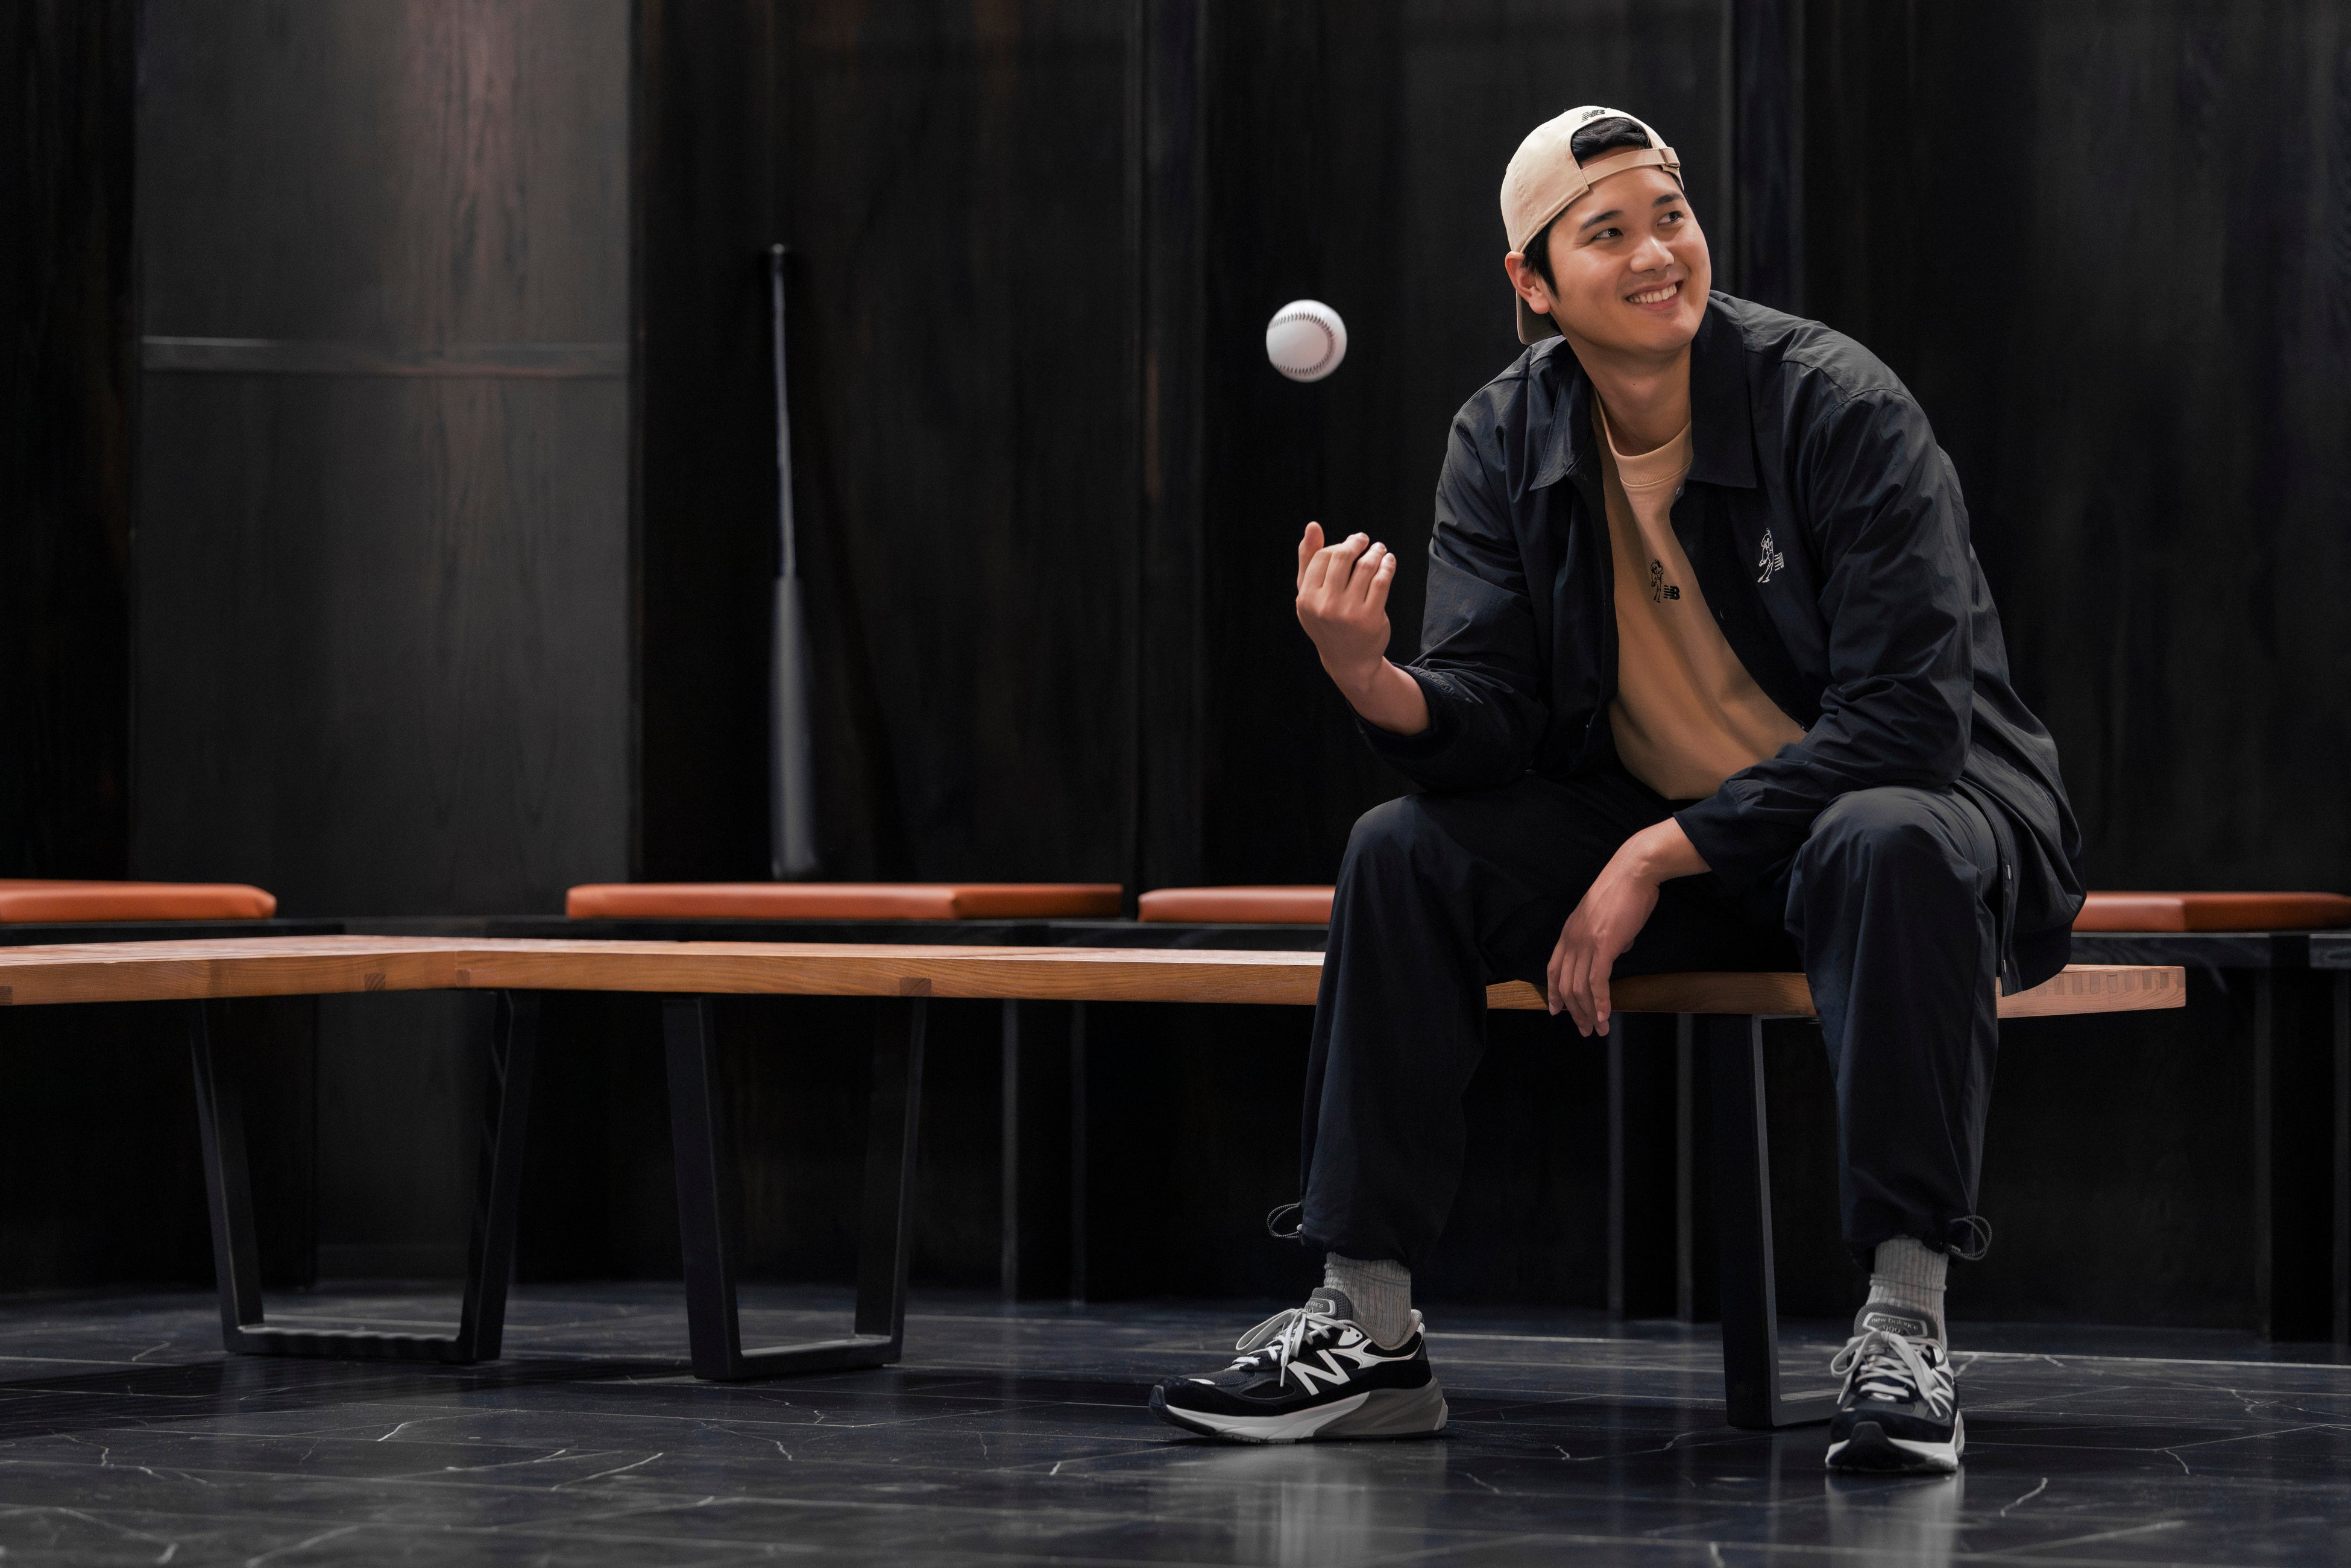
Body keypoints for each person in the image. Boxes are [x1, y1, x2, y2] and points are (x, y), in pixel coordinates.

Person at [1149, 105, 2083, 1473]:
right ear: (1532, 283)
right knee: (1401, 851)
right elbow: (1493, 712)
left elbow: (1905, 724)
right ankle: (1367, 1323)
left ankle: (1905, 1324)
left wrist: (1653, 856)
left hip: (1896, 826)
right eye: (1608, 233)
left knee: (1885, 838)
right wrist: (1369, 675)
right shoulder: (1503, 435)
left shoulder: (1838, 406)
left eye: (1673, 216)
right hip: (1682, 838)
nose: (1657, 253)